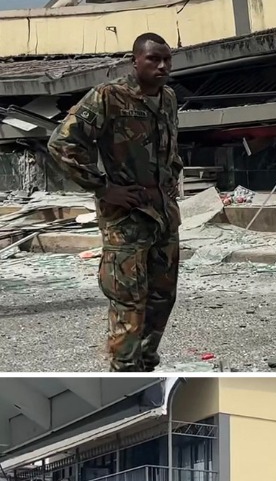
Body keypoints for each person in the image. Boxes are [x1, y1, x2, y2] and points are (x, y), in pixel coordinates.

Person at [48, 32, 183, 372]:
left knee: (162, 296)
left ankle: (146, 360)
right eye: (153, 58)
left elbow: (171, 150)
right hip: (127, 216)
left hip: (163, 214)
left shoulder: (167, 98)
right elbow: (62, 144)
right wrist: (103, 189)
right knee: (127, 298)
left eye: (167, 59)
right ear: (134, 60)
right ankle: (123, 367)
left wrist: (171, 183)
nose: (162, 65)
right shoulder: (110, 97)